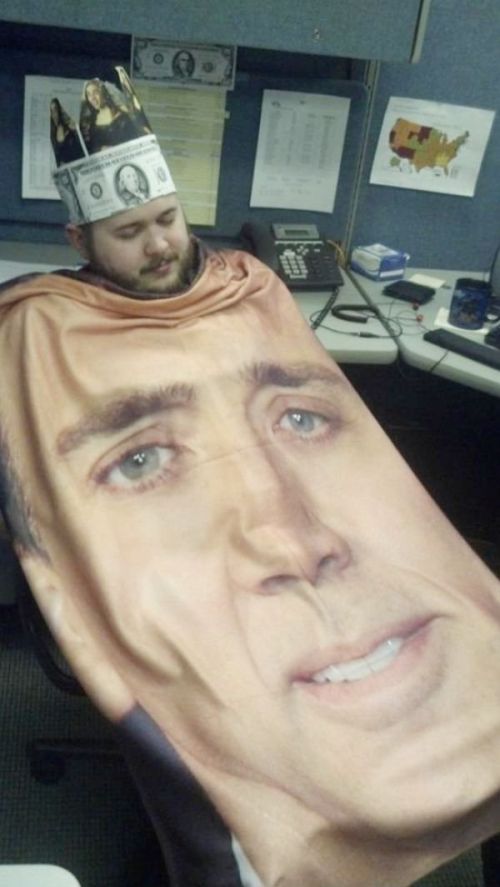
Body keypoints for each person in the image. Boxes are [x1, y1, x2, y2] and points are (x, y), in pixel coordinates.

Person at [1, 68, 500, 887]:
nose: (160, 245)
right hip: (182, 572)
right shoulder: (41, 329)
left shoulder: (247, 287)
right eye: (128, 232)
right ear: (78, 240)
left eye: (167, 219)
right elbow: (52, 507)